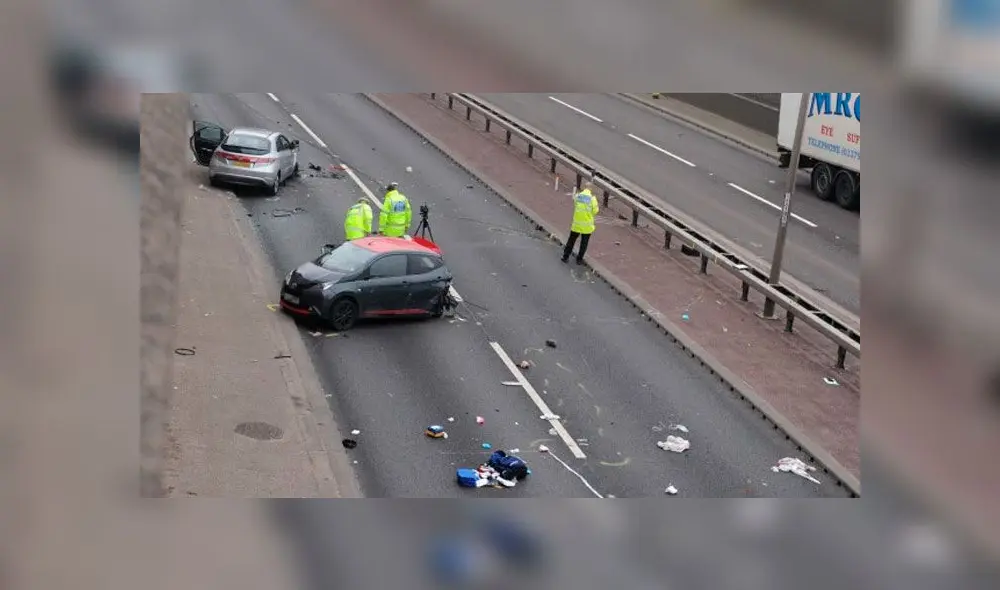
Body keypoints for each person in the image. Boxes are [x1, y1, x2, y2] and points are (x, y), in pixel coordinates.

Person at [562, 182, 599, 264]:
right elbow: (595, 211)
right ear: (591, 189)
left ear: (584, 188)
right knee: (584, 243)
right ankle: (579, 260)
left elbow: (575, 205)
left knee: (571, 240)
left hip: (576, 224)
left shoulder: (578, 196)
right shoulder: (592, 199)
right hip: (587, 226)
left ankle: (565, 256)